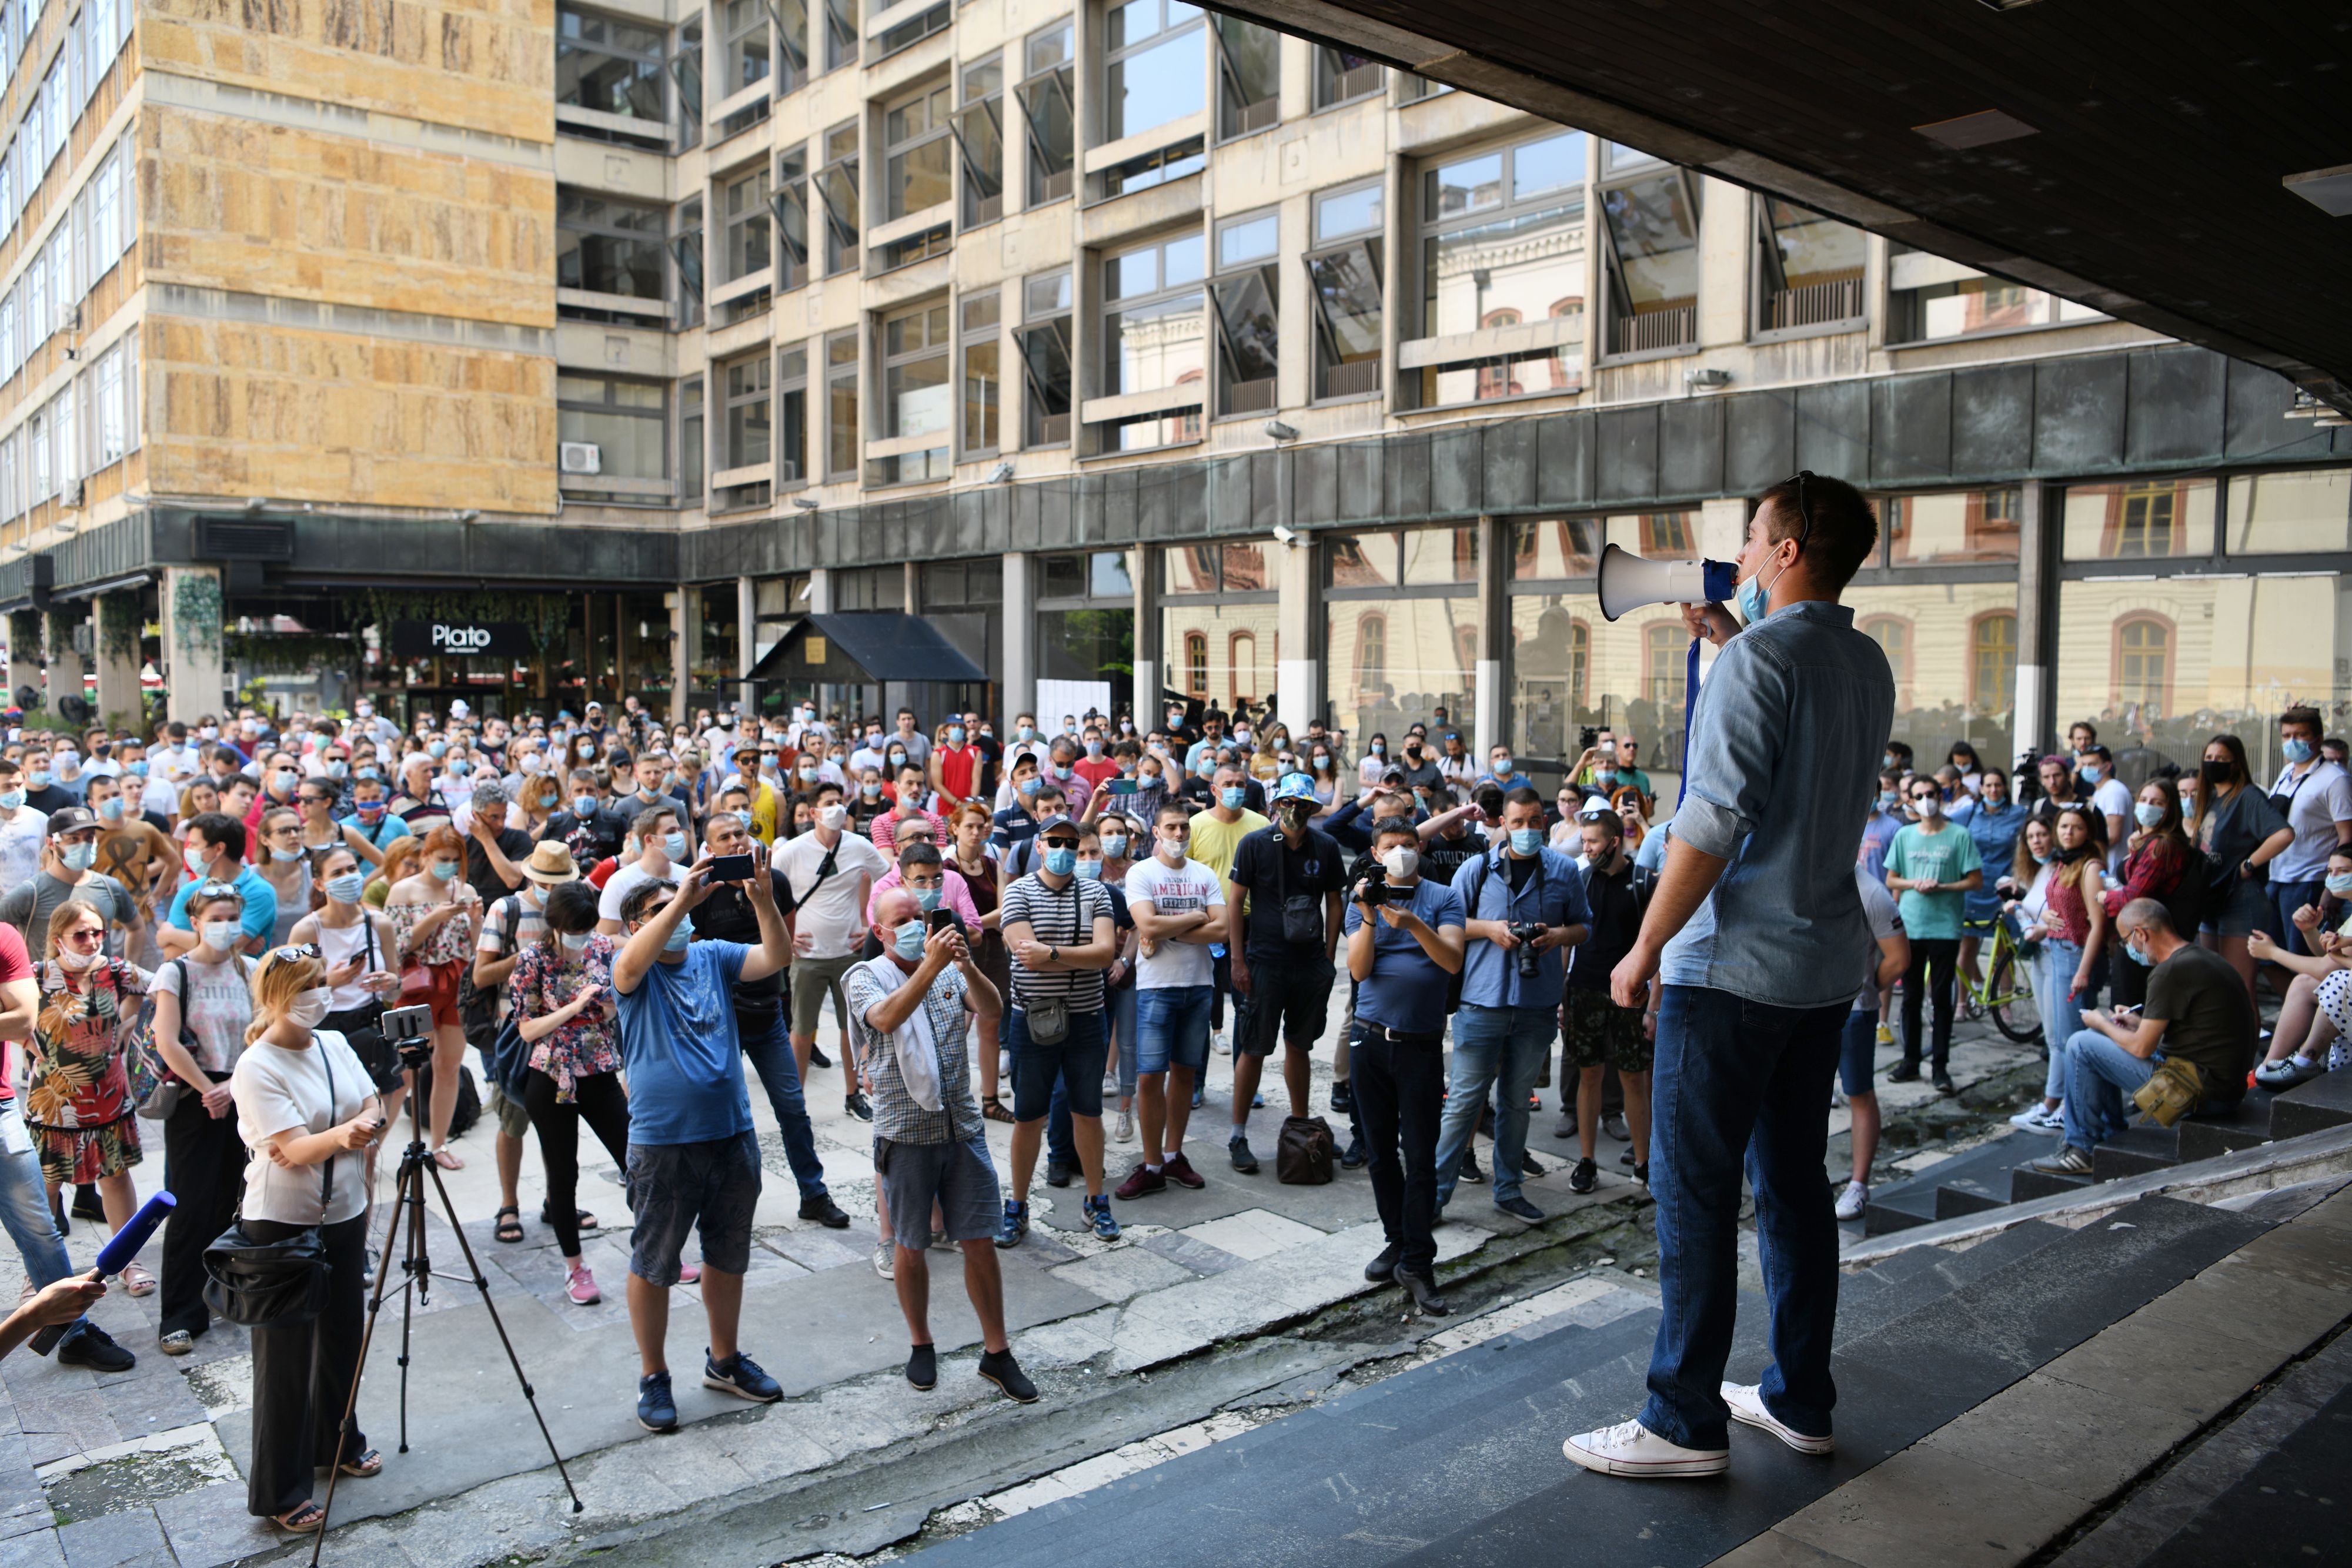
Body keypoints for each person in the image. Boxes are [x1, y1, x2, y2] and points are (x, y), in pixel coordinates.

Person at [1565, 470, 1891, 1480]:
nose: (1741, 555)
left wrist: (1645, 944)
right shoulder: (1864, 658)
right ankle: (1800, 1399)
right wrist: (1726, 646)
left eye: (1753, 538)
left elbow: (1712, 821)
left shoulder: (1760, 661)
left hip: (1730, 966)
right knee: (1793, 1182)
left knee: (1695, 1187)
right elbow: (1794, 774)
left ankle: (1681, 1420)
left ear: (1789, 549)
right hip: (1820, 965)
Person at [610, 851, 790, 1432]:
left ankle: (725, 1359)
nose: (679, 915)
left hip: (731, 1133)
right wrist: (680, 899)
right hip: (664, 1143)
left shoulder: (711, 956)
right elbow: (628, 968)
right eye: (660, 910)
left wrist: (762, 899)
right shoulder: (633, 965)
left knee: (728, 1253)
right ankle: (653, 1374)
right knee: (655, 1260)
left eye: (682, 905)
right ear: (638, 923)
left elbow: (776, 957)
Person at [846, 887, 1035, 1400]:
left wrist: (966, 963)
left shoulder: (950, 967)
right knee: (911, 1245)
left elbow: (993, 1009)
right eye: (901, 920)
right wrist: (930, 967)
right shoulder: (864, 977)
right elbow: (884, 1019)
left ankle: (997, 1351)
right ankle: (921, 1342)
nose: (914, 926)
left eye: (919, 917)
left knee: (980, 1241)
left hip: (962, 1128)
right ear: (881, 931)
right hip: (906, 1134)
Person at [230, 944, 387, 1532]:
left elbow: (371, 1100)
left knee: (344, 1336)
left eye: (321, 983)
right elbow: (293, 1151)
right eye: (303, 986)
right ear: (273, 997)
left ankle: (337, 1442)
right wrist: (349, 1131)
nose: (317, 995)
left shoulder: (335, 1043)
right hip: (283, 1222)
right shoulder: (257, 1065)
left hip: (346, 1210)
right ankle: (280, 1488)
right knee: (286, 1358)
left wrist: (353, 1128)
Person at [1432, 786, 1589, 1222]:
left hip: (1537, 1004)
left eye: (1534, 821)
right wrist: (1489, 929)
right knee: (1464, 1100)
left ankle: (1509, 1188)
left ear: (1546, 821)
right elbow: (1448, 925)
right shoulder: (1476, 870)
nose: (1525, 829)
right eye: (1517, 821)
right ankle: (1434, 1196)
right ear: (1502, 822)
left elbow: (1584, 925)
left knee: (1518, 1101)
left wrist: (1556, 935)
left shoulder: (1563, 870)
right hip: (1482, 1001)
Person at [695, 810, 848, 1230]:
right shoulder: (702, 893)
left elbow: (786, 945)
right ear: (709, 848)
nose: (735, 842)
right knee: (719, 1112)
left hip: (769, 1015)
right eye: (724, 837)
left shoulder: (774, 881)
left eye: (739, 833)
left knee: (793, 1109)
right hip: (720, 1020)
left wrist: (760, 894)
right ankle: (717, 1196)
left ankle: (813, 1194)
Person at [2028, 900, 2257, 1177]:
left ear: (2141, 934)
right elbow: (2193, 1031)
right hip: (2225, 1088)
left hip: (2199, 1093)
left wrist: (2101, 1022)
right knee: (2096, 1040)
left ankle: (2082, 1149)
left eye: (2126, 941)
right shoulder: (2202, 957)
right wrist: (2137, 1023)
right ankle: (2109, 1132)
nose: (2129, 949)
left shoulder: (2169, 971)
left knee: (2081, 1043)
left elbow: (2141, 1047)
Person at [1345, 817, 1466, 1315]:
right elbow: (1359, 970)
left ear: (1420, 847)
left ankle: (1419, 1259)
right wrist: (1372, 914)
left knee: (1420, 1156)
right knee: (1379, 1152)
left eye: (1408, 844)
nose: (1400, 851)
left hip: (1419, 1045)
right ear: (1376, 851)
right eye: (1391, 845)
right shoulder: (1365, 898)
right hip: (1370, 1040)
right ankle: (1397, 1240)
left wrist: (1412, 922)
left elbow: (1452, 961)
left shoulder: (1442, 897)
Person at [994, 814, 1120, 1247]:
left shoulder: (1097, 892)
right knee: (1029, 1115)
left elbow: (1105, 953)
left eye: (1073, 842)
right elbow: (1022, 952)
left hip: (1086, 1018)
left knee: (1089, 1111)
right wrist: (1073, 955)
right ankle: (1018, 1204)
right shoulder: (1018, 891)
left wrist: (1050, 952)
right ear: (1040, 845)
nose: (1066, 850)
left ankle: (1096, 1199)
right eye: (1057, 841)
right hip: (1032, 1019)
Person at [508, 879, 630, 1304]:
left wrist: (604, 1003)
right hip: (552, 1073)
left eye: (587, 927)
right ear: (556, 924)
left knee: (637, 1158)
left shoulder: (601, 946)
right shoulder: (532, 959)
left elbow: (616, 1005)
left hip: (598, 1066)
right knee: (564, 1175)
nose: (583, 937)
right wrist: (573, 1007)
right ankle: (575, 1268)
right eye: (575, 929)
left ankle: (657, 1247)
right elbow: (526, 1029)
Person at [24, 904, 151, 1300]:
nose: (92, 941)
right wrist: (26, 1041)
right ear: (58, 937)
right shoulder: (38, 975)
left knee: (114, 1177)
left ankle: (127, 1260)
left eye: (98, 932)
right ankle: (39, 1273)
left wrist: (131, 1021)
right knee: (47, 1183)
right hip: (54, 1101)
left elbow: (164, 989)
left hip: (108, 1097)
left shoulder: (117, 971)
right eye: (81, 934)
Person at [1222, 776, 1344, 1172]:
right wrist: (1237, 961)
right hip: (1265, 961)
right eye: (1288, 801)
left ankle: (1301, 1122)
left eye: (1302, 803)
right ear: (1276, 805)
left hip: (1308, 962)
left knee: (1300, 1044)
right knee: (1254, 1046)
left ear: (1312, 808)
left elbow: (1334, 900)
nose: (1294, 809)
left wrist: (1326, 958)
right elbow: (1236, 900)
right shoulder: (1255, 844)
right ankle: (1238, 1134)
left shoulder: (1324, 846)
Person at [1113, 801, 1224, 1199]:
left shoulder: (1204, 873)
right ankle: (1152, 1162)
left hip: (1198, 985)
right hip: (1156, 986)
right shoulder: (1141, 872)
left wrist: (1167, 928)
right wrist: (1197, 917)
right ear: (1156, 832)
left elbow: (1223, 928)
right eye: (1171, 828)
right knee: (1149, 1075)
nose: (1179, 835)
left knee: (1185, 1073)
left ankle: (1174, 1155)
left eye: (1184, 828)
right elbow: (1146, 923)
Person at [776, 782, 889, 1121]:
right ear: (813, 813)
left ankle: (853, 1094)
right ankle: (796, 1103)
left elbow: (886, 883)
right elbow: (766, 895)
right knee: (800, 1031)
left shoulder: (859, 845)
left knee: (851, 1029)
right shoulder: (792, 851)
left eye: (840, 801)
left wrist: (871, 926)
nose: (837, 808)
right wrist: (786, 936)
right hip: (807, 958)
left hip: (850, 956)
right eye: (828, 803)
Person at [1559, 807, 1655, 1188]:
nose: (1586, 847)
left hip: (1631, 995)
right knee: (1590, 1075)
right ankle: (1587, 1161)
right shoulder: (1580, 880)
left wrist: (1655, 1006)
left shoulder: (1644, 880)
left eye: (1593, 841)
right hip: (1584, 989)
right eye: (1583, 840)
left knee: (1634, 1078)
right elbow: (1568, 941)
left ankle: (1643, 1163)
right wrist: (1561, 996)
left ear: (1614, 842)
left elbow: (1657, 948)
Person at [385, 824, 480, 1169]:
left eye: (456, 860)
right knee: (404, 1072)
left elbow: (473, 947)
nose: (449, 866)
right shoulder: (403, 890)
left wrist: (474, 921)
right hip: (417, 984)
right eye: (443, 859)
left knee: (449, 1066)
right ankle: (372, 1145)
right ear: (425, 856)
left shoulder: (464, 889)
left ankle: (439, 1144)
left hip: (455, 984)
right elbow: (396, 947)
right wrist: (435, 917)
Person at [1881, 773, 1983, 1095]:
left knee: (1941, 998)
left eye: (1932, 793)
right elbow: (1892, 879)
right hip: (1910, 926)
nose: (1927, 799)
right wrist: (1915, 884)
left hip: (1945, 927)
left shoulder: (1960, 835)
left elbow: (1975, 880)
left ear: (1941, 795)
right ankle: (1910, 1060)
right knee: (1911, 997)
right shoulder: (1905, 835)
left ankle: (1940, 1066)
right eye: (1920, 794)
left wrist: (1944, 886)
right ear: (1909, 800)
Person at [2192, 734, 2293, 1008]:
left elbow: (2283, 834)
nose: (2213, 764)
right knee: (2214, 985)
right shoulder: (2211, 798)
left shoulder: (2248, 796)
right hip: (2211, 900)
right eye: (2209, 758)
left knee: (2239, 989)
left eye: (2222, 759)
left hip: (2241, 900)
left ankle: (2245, 1051)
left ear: (2236, 764)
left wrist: (2249, 864)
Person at [1835, 866, 1908, 1222]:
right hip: (1803, 1009)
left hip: (1853, 1013)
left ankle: (1859, 1185)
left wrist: (1864, 987)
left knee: (1859, 1093)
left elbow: (1899, 959)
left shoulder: (1872, 892)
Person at [2264, 706, 2352, 958]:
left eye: (2300, 735)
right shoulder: (2286, 773)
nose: (2292, 741)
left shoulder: (2336, 780)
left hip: (2310, 879)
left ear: (2318, 739)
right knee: (2271, 959)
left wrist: (2332, 890)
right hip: (2277, 876)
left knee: (2302, 956)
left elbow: (2347, 838)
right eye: (2287, 735)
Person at [2103, 778, 2197, 1009]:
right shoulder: (2145, 842)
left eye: (2157, 802)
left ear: (2169, 809)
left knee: (2130, 1014)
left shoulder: (2161, 847)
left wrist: (2103, 898)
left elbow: (2131, 897)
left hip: (2147, 944)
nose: (2147, 806)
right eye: (2144, 800)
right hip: (2134, 939)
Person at [1, 806, 138, 957]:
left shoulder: (110, 887)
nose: (83, 844)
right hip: (47, 979)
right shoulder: (31, 893)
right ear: (51, 843)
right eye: (74, 839)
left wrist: (128, 969)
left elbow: (136, 927)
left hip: (99, 979)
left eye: (89, 838)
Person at [161, 814, 278, 958]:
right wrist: (232, 948)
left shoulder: (260, 893)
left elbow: (230, 946)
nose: (189, 850)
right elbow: (172, 953)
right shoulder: (189, 891)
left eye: (195, 845)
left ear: (219, 849)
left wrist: (171, 935)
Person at [1950, 763, 2025, 989]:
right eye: (1989, 785)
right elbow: (1943, 830)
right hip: (1973, 887)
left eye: (1999, 785)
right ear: (1981, 788)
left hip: (2003, 889)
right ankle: (1963, 1003)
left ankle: (2004, 1005)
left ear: (2005, 788)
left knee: (2003, 947)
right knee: (1967, 946)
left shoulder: (2019, 814)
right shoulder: (1968, 813)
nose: (1994, 790)